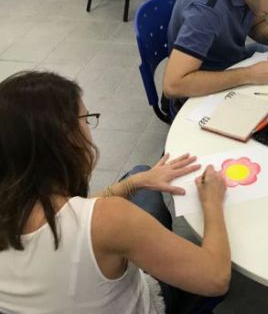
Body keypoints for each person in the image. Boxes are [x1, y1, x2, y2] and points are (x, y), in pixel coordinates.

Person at [0, 71, 231, 313]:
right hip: (144, 302)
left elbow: (65, 217)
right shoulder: (110, 220)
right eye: (86, 119)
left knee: (139, 173)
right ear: (68, 138)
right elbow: (217, 278)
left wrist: (133, 183)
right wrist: (211, 202)